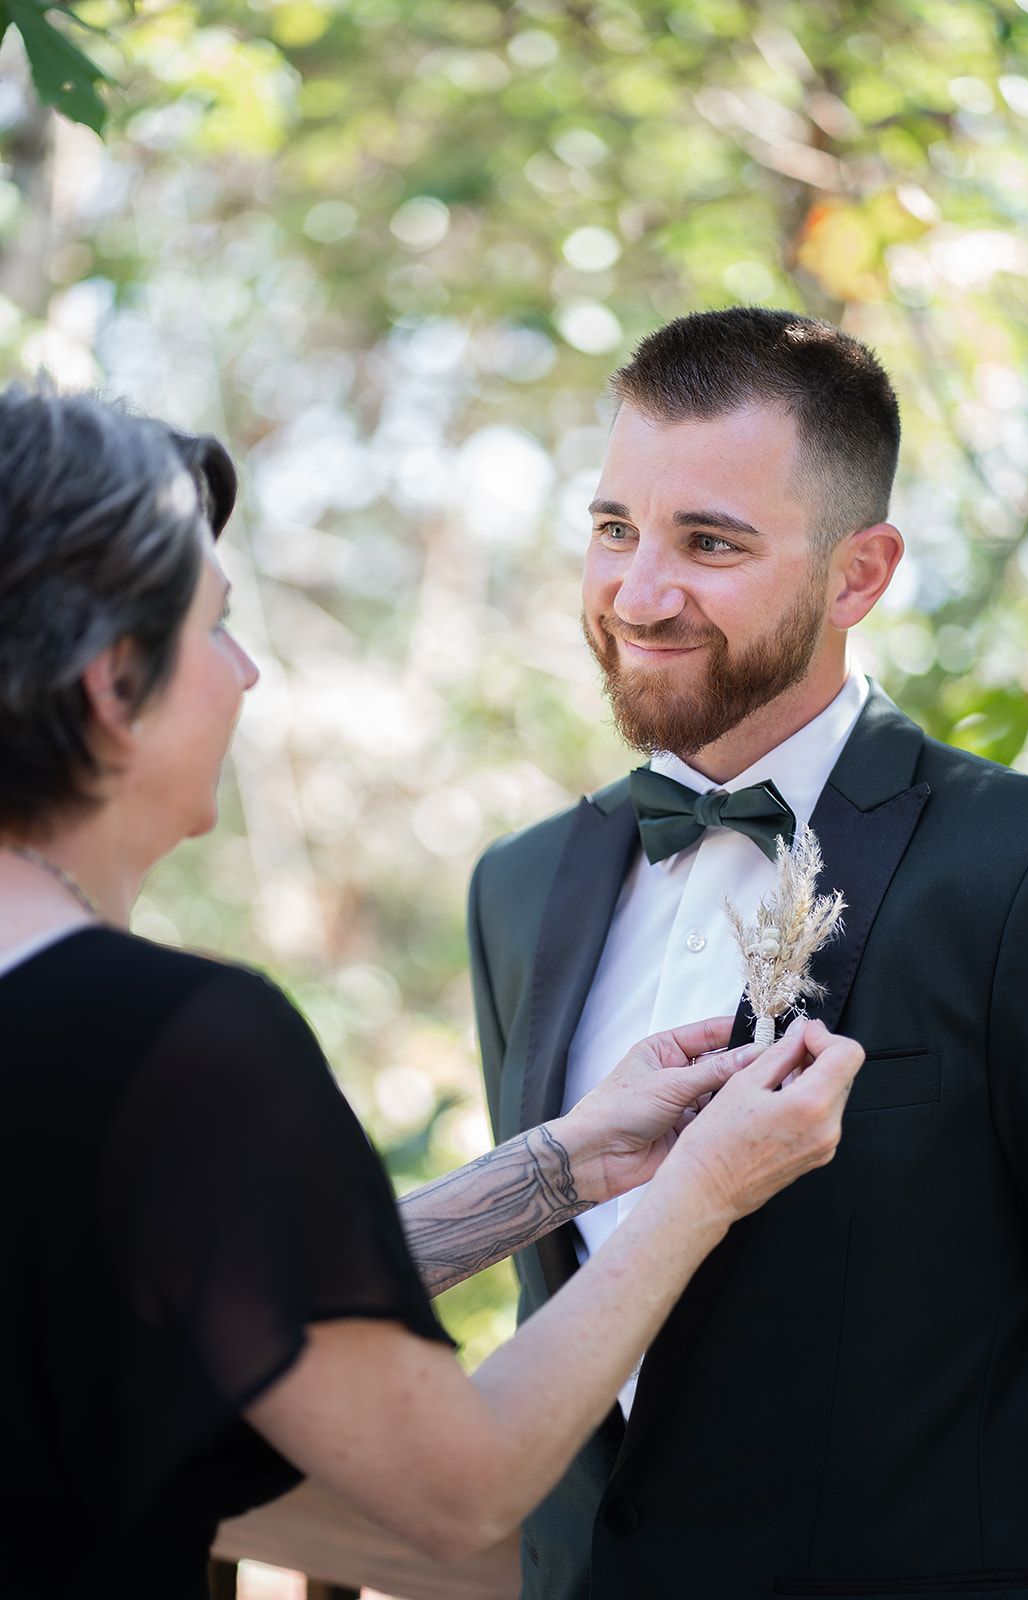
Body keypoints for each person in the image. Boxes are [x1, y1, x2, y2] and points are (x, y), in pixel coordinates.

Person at [0, 384, 864, 1600]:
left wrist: (558, 1164)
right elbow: (456, 1483)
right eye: (215, 626)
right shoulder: (176, 1044)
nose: (247, 674)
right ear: (108, 683)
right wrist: (703, 1185)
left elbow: (189, 1285)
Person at [469, 306, 1028, 1599]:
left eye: (709, 542)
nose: (636, 592)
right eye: (613, 528)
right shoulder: (513, 890)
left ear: (856, 574)